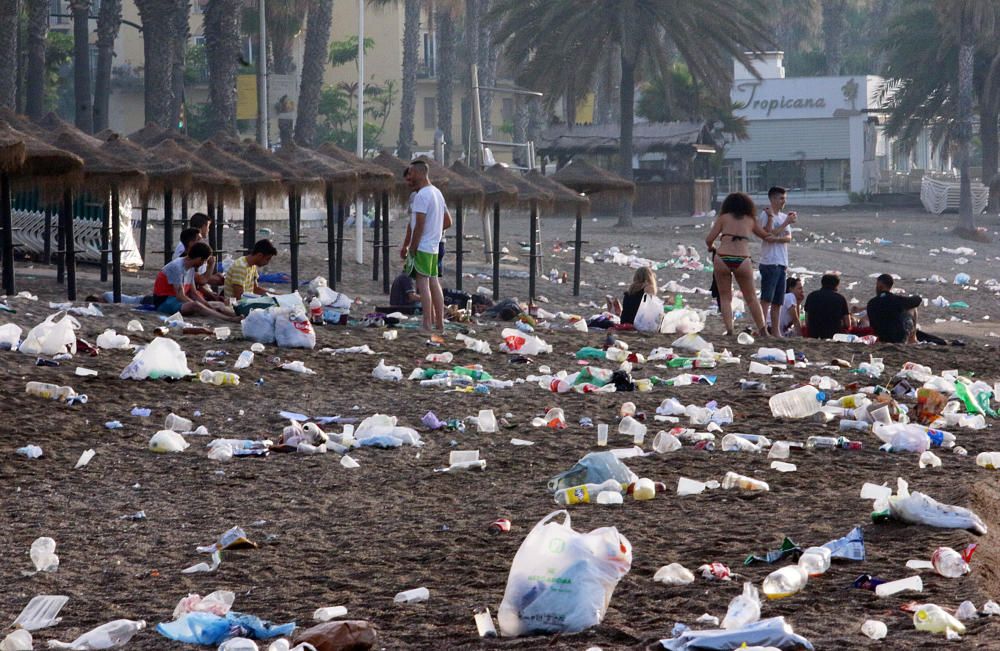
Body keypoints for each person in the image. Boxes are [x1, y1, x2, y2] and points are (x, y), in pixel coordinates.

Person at [705, 192, 769, 336]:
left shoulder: (723, 218)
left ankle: (729, 330)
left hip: (722, 257)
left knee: (725, 297)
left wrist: (711, 247)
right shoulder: (750, 220)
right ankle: (763, 330)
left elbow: (709, 239)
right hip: (742, 259)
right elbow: (766, 236)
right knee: (751, 297)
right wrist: (776, 223)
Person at [399, 160, 450, 331]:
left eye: (411, 174)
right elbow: (447, 221)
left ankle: (427, 323)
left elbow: (419, 224)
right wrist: (434, 231)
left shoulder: (422, 195)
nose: (409, 177)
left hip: (423, 245)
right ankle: (440, 323)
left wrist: (413, 246)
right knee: (434, 282)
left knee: (423, 284)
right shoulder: (437, 193)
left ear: (420, 174)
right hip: (434, 246)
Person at [153, 242, 241, 322]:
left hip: (176, 300)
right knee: (196, 305)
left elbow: (194, 293)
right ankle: (230, 319)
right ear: (199, 259)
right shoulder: (177, 267)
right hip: (165, 301)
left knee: (219, 305)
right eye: (204, 261)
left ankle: (241, 316)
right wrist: (201, 305)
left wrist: (206, 305)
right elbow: (180, 296)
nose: (203, 264)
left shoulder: (190, 268)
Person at [757, 186, 797, 337]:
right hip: (769, 262)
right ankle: (762, 330)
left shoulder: (782, 216)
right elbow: (767, 235)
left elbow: (788, 238)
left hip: (782, 261)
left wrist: (777, 237)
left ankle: (775, 331)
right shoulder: (766, 215)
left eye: (784, 199)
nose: (783, 201)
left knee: (778, 301)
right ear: (773, 199)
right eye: (781, 198)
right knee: (766, 298)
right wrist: (785, 224)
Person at [867, 273, 922, 344]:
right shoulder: (897, 300)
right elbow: (917, 300)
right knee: (912, 308)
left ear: (880, 285)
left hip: (880, 336)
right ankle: (913, 338)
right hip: (898, 338)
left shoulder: (871, 303)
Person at [173, 212, 225, 287]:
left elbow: (198, 277)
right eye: (208, 227)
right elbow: (198, 279)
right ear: (203, 226)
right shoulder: (184, 248)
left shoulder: (192, 246)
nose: (209, 230)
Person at [803, 273, 851, 339]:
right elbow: (848, 323)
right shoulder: (840, 298)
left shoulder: (811, 296)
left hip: (813, 334)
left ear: (822, 283)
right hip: (833, 335)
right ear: (837, 285)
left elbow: (807, 320)